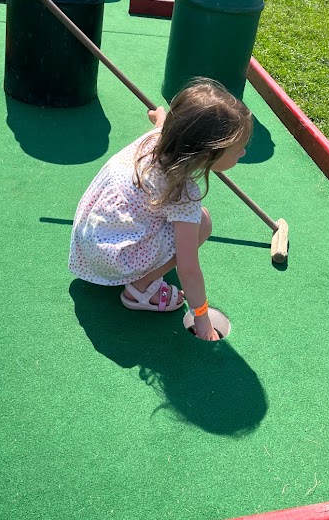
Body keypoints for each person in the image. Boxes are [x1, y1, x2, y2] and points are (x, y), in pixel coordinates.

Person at [69, 78, 253, 341]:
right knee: (202, 223)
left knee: (176, 219)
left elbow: (164, 126)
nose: (243, 153)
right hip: (112, 259)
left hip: (89, 237)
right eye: (236, 150)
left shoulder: (157, 139)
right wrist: (202, 319)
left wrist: (161, 118)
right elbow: (188, 269)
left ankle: (138, 271)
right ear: (207, 153)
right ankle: (140, 287)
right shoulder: (182, 192)